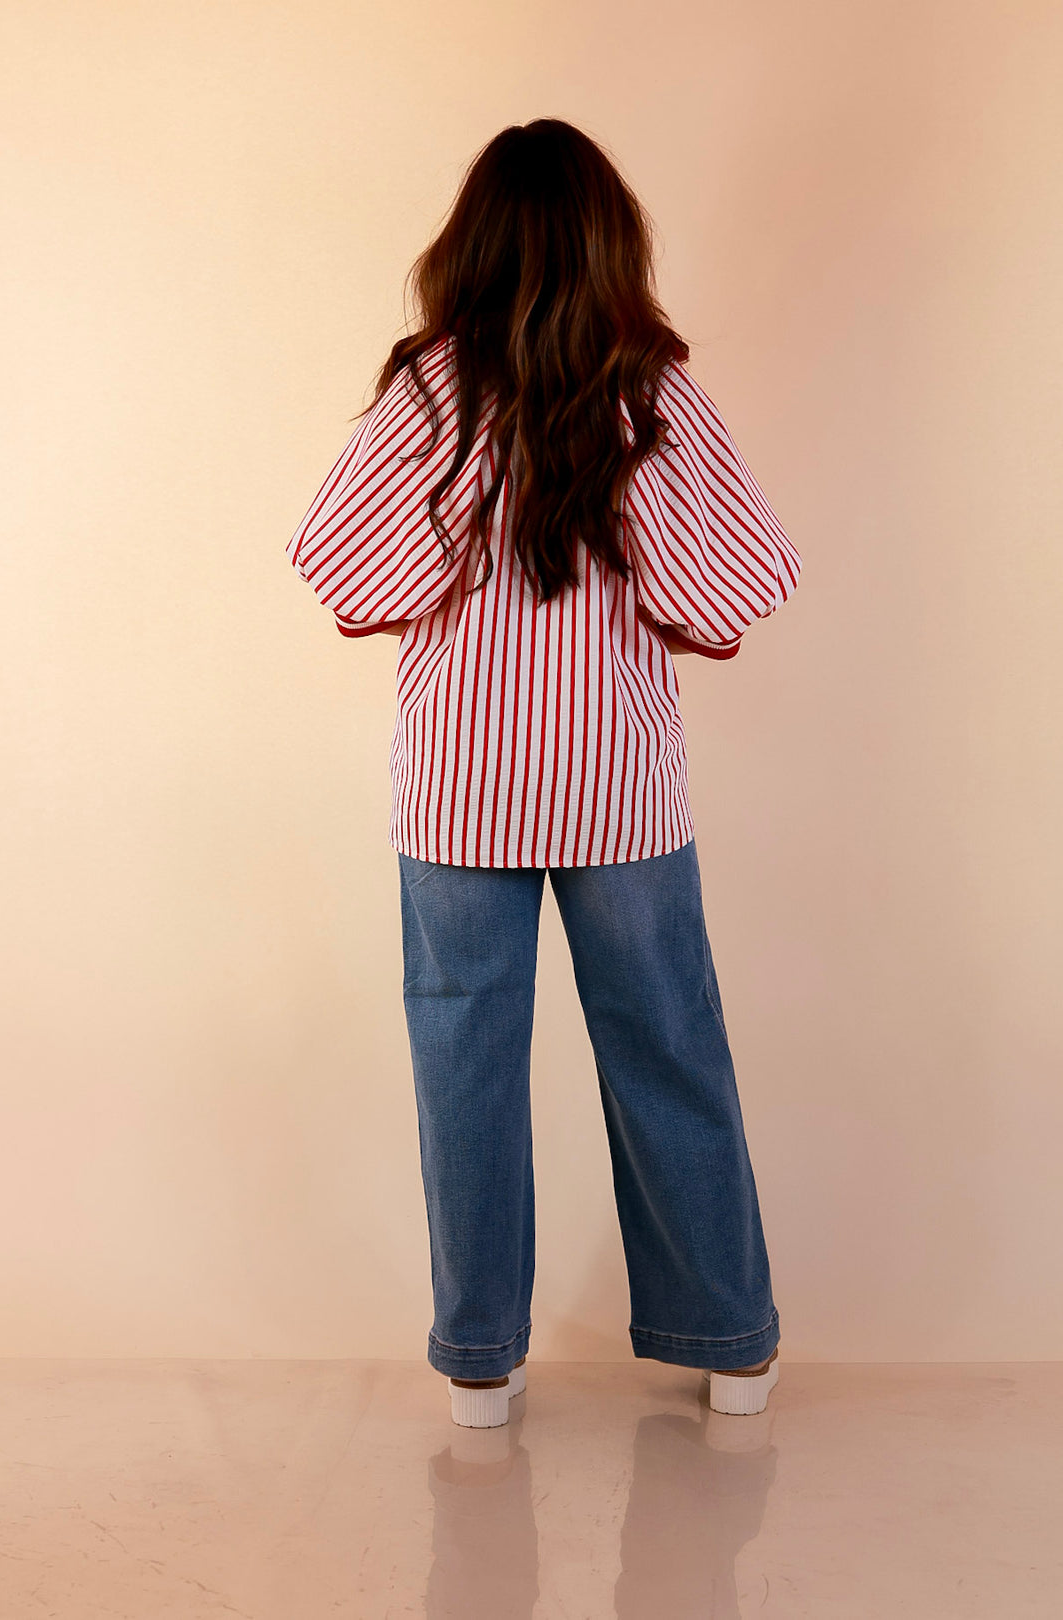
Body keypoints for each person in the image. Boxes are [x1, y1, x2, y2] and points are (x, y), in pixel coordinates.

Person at [286, 118, 801, 1428]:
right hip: (621, 785)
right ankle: (731, 1344)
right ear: (607, 244)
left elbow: (344, 575)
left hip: (459, 787)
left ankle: (480, 1365)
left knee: (462, 1054)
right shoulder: (655, 391)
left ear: (473, 243)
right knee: (669, 1042)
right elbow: (730, 595)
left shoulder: (431, 392)